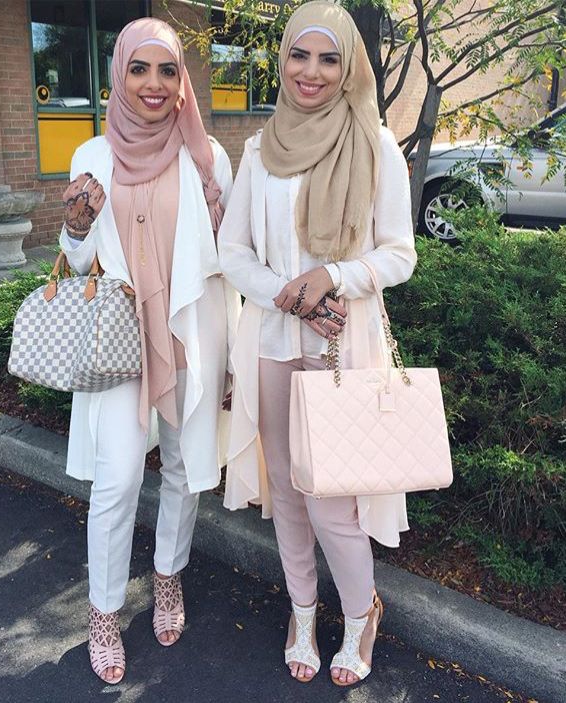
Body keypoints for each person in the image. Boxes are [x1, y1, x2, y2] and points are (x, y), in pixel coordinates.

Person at [218, 0, 417, 688]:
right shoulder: (260, 148)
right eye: (299, 55)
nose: (312, 71)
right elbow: (232, 251)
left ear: (349, 66)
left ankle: (362, 613)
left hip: (342, 343)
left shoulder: (375, 144)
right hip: (274, 338)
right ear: (282, 61)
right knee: (287, 488)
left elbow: (400, 254)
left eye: (329, 58)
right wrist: (288, 292)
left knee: (333, 496)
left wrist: (331, 276)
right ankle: (302, 613)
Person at [59, 17, 236, 685]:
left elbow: (226, 266)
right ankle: (103, 611)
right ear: (119, 75)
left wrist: (231, 359)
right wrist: (75, 228)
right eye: (139, 69)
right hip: (118, 337)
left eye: (167, 70)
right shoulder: (91, 155)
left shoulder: (208, 157)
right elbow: (79, 264)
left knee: (184, 468)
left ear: (181, 80)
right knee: (119, 478)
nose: (154, 84)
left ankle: (168, 576)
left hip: (190, 330)